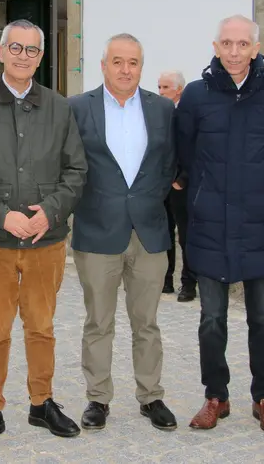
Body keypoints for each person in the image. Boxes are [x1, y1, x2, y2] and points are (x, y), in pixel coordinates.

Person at [0, 19, 87, 451]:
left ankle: (41, 401)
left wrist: (49, 212)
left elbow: (76, 170)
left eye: (32, 50)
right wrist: (2, 215)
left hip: (44, 243)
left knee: (42, 326)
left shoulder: (59, 107)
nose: (23, 56)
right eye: (16, 48)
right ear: (2, 51)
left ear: (41, 56)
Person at [175, 15, 264, 435]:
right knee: (211, 318)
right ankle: (216, 396)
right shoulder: (196, 96)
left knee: (262, 319)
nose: (234, 52)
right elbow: (185, 153)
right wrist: (202, 194)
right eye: (226, 44)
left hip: (259, 224)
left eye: (242, 44)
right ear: (215, 46)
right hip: (210, 223)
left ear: (255, 47)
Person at [68, 33, 178, 432]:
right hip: (97, 232)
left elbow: (170, 162)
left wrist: (150, 198)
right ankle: (98, 398)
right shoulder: (78, 108)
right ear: (104, 65)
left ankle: (151, 396)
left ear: (141, 67)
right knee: (99, 321)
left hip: (149, 231)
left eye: (133, 62)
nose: (125, 70)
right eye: (117, 61)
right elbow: (69, 165)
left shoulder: (163, 109)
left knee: (146, 322)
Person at [157, 70, 196, 301]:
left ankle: (189, 284)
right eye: (159, 87)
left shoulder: (188, 114)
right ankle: (166, 280)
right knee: (164, 233)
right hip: (161, 184)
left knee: (186, 235)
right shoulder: (158, 113)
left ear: (179, 89)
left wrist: (182, 179)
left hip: (181, 185)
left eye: (165, 88)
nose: (160, 92)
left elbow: (194, 149)